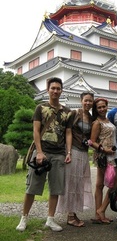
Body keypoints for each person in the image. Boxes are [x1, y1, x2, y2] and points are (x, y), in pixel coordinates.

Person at [16, 77, 73, 232]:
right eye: (52, 88)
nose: (55, 91)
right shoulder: (40, 108)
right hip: (42, 152)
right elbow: (36, 130)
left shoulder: (67, 112)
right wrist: (39, 152)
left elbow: (68, 133)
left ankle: (50, 219)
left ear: (61, 91)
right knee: (32, 187)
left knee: (56, 188)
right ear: (48, 90)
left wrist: (68, 152)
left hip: (59, 153)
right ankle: (24, 218)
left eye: (58, 88)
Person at [56, 92, 94, 227]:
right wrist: (68, 152)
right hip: (73, 151)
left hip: (84, 153)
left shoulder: (90, 117)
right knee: (71, 183)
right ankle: (70, 215)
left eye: (90, 101)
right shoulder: (74, 113)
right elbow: (68, 132)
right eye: (86, 100)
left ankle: (73, 212)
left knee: (79, 184)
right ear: (81, 100)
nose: (88, 103)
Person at [90, 97, 117, 224]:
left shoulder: (108, 120)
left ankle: (99, 212)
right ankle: (99, 212)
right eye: (99, 107)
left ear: (107, 106)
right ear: (96, 109)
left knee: (110, 183)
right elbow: (91, 141)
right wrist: (104, 149)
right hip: (103, 156)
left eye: (104, 106)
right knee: (103, 184)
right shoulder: (96, 123)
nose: (102, 109)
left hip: (112, 155)